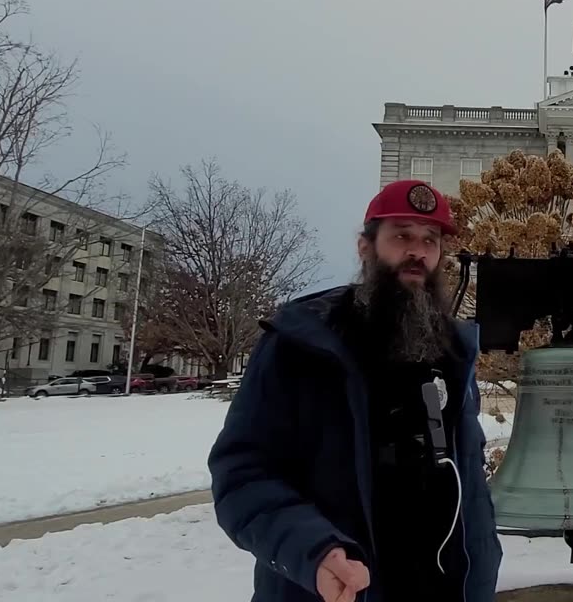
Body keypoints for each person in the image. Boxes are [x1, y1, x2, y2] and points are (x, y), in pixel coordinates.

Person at [208, 179, 502, 602]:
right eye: (401, 235)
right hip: (338, 589)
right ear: (365, 247)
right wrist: (314, 550)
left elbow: (468, 486)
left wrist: (481, 573)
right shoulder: (300, 344)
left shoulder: (454, 355)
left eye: (430, 240)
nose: (417, 252)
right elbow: (242, 474)